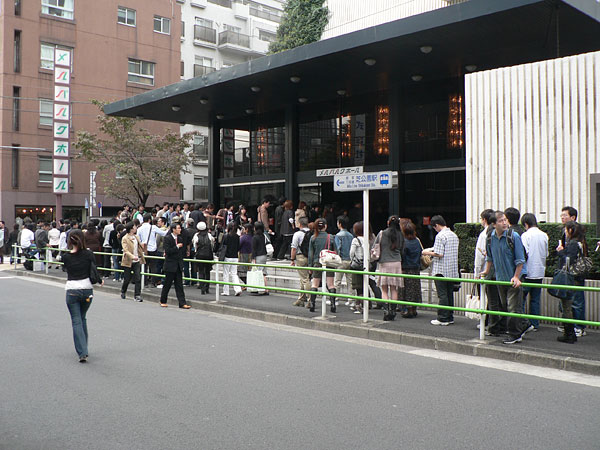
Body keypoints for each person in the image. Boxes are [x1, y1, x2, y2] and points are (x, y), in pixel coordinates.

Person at [480, 211, 534, 344]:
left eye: (505, 220)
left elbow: (520, 259)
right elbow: (490, 257)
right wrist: (486, 271)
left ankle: (515, 334)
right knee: (505, 306)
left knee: (512, 307)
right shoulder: (490, 237)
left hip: (513, 278)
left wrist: (516, 276)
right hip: (500, 278)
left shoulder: (513, 236)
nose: (504, 223)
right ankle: (524, 325)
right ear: (493, 224)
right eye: (500, 221)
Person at [61, 229, 103, 363]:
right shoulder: (89, 254)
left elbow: (65, 268)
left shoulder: (66, 257)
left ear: (69, 241)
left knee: (76, 320)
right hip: (87, 290)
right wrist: (100, 280)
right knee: (82, 317)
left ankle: (82, 351)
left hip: (72, 290)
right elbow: (94, 269)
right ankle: (84, 347)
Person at [422, 215, 459, 326]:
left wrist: (426, 252)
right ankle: (450, 317)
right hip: (452, 269)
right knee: (449, 294)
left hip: (441, 269)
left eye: (434, 227)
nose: (435, 229)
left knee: (442, 294)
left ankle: (443, 318)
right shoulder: (453, 235)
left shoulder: (440, 236)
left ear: (437, 225)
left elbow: (439, 253)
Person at [556, 221, 587, 343]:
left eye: (566, 229)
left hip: (571, 278)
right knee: (568, 305)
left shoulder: (573, 243)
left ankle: (569, 333)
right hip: (575, 277)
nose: (565, 232)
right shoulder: (579, 242)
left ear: (570, 230)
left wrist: (560, 252)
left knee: (567, 305)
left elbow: (568, 260)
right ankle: (570, 332)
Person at [520, 213, 548, 330]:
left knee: (521, 299)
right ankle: (534, 323)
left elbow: (523, 254)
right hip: (540, 271)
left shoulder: (525, 235)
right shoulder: (544, 235)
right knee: (535, 299)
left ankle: (522, 323)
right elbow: (546, 253)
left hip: (527, 272)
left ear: (526, 224)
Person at [349, 221, 382, 314]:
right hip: (370, 263)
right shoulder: (372, 237)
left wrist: (352, 260)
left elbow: (351, 253)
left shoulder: (356, 240)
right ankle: (380, 301)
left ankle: (366, 304)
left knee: (361, 285)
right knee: (371, 282)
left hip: (359, 264)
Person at [376, 216, 404, 321]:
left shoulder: (382, 233)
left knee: (384, 289)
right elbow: (402, 249)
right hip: (397, 262)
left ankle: (386, 310)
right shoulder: (400, 234)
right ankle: (393, 310)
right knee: (394, 288)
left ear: (388, 223)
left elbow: (376, 246)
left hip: (384, 262)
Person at [307, 218, 338, 313]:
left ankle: (312, 304)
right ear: (326, 226)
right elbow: (336, 251)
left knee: (315, 284)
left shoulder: (313, 237)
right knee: (331, 284)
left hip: (317, 262)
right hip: (328, 263)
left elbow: (310, 254)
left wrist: (310, 266)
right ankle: (333, 304)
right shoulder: (330, 237)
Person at [160, 223, 191, 309]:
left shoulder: (180, 238)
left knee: (179, 285)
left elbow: (181, 252)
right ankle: (163, 300)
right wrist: (176, 247)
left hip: (178, 264)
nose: (180, 230)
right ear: (173, 229)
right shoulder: (167, 238)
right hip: (170, 264)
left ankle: (182, 303)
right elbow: (168, 251)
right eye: (178, 228)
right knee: (167, 284)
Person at [137, 213, 168, 287]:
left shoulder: (139, 228)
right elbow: (163, 233)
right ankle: (153, 282)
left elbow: (138, 239)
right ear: (149, 220)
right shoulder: (153, 227)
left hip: (144, 249)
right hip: (152, 249)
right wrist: (168, 230)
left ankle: (144, 282)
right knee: (153, 266)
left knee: (144, 266)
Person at [400, 221, 422, 318]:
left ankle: (408, 310)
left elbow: (402, 255)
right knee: (415, 289)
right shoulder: (417, 241)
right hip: (416, 268)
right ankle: (414, 309)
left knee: (407, 289)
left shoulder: (404, 242)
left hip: (406, 268)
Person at [120, 221, 145, 302]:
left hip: (137, 260)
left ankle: (137, 295)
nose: (136, 228)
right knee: (127, 279)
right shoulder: (125, 238)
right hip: (128, 261)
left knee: (138, 278)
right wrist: (132, 256)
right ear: (131, 228)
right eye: (134, 227)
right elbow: (125, 250)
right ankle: (123, 291)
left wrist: (142, 252)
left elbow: (139, 247)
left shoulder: (136, 237)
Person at [290, 216, 311, 307]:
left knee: (305, 279)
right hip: (310, 257)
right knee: (304, 278)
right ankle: (301, 298)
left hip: (300, 257)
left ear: (300, 224)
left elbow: (294, 248)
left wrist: (292, 259)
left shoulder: (297, 234)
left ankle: (310, 300)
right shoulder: (312, 233)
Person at [333, 215, 353, 308]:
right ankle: (351, 300)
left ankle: (335, 299)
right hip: (350, 260)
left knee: (337, 281)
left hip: (341, 261)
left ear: (340, 224)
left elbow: (337, 248)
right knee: (350, 282)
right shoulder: (351, 235)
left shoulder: (338, 235)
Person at [221, 221, 242, 296]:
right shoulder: (237, 237)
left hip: (227, 257)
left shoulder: (226, 236)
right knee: (234, 274)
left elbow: (222, 246)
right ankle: (237, 289)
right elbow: (239, 247)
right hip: (235, 257)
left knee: (226, 274)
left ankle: (226, 291)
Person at [193, 221, 214, 294]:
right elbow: (212, 244)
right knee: (207, 271)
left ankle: (202, 288)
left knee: (201, 271)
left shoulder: (196, 235)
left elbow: (195, 245)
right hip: (208, 255)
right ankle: (207, 287)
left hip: (200, 255)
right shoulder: (209, 235)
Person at [251, 222, 269, 295]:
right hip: (264, 255)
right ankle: (266, 288)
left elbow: (253, 248)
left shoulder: (255, 237)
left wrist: (253, 258)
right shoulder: (263, 236)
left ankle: (263, 289)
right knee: (263, 273)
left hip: (258, 256)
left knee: (259, 273)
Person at [238, 223, 253, 289]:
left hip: (243, 255)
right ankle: (247, 284)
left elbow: (238, 245)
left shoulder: (243, 237)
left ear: (246, 229)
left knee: (241, 271)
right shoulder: (252, 237)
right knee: (248, 270)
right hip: (251, 255)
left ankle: (246, 284)